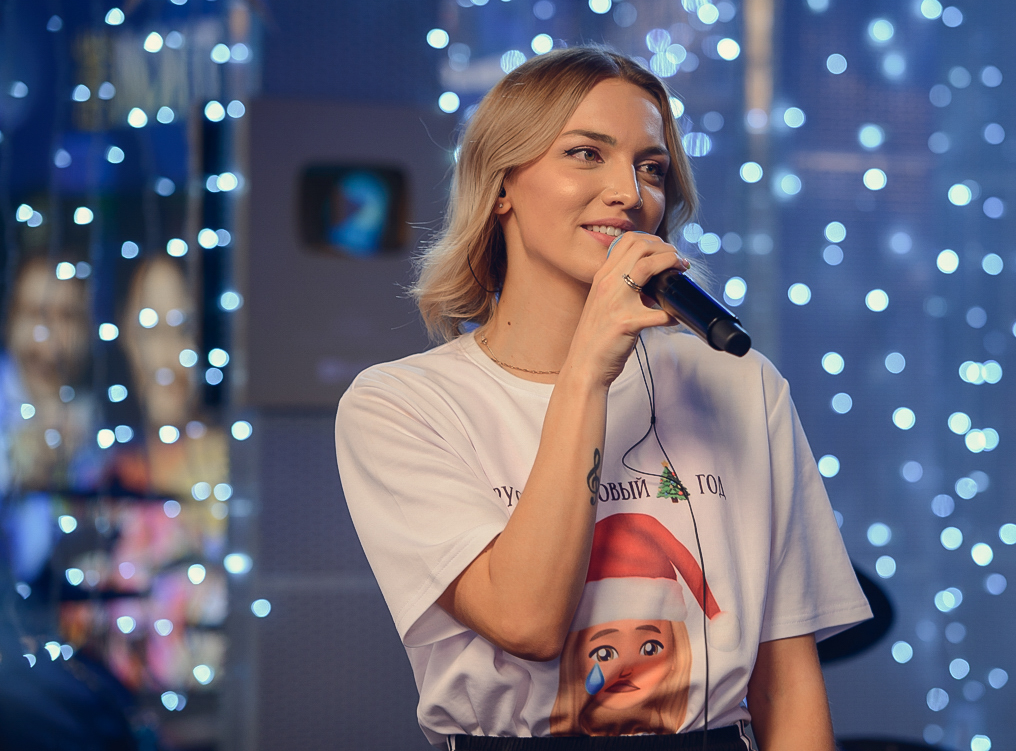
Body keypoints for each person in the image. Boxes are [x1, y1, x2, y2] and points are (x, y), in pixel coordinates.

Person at [336, 46, 870, 750]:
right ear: (501, 185)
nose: (628, 192)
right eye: (586, 154)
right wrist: (588, 367)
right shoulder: (402, 404)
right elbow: (525, 623)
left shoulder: (736, 383)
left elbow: (785, 682)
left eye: (651, 168)